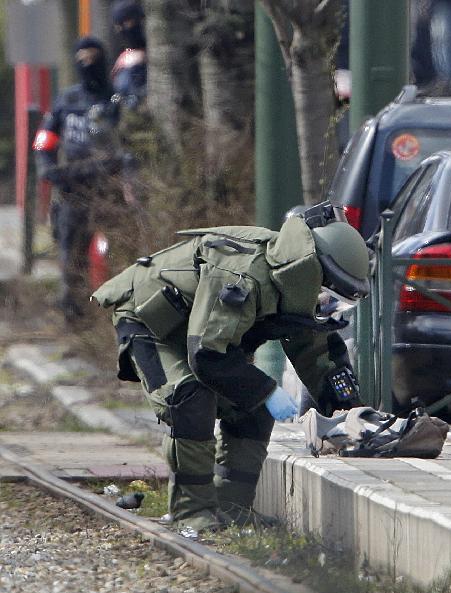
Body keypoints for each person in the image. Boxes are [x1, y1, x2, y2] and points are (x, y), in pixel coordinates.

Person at [91, 205, 370, 533]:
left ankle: (231, 509)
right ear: (312, 274)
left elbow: (318, 357)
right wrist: (265, 390)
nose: (328, 308)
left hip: (199, 335)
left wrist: (353, 419)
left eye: (338, 304)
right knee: (189, 399)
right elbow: (208, 356)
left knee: (252, 409)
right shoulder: (244, 277)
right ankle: (191, 513)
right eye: (329, 298)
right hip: (149, 322)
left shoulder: (295, 287)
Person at [33, 37, 120, 320]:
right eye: (81, 58)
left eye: (92, 58)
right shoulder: (67, 100)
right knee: (71, 254)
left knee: (114, 253)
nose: (87, 64)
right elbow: (45, 139)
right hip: (72, 191)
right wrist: (46, 166)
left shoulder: (115, 99)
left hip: (110, 190)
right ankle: (75, 315)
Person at [110, 0, 147, 108]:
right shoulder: (123, 58)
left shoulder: (157, 53)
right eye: (118, 25)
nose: (122, 28)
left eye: (126, 22)